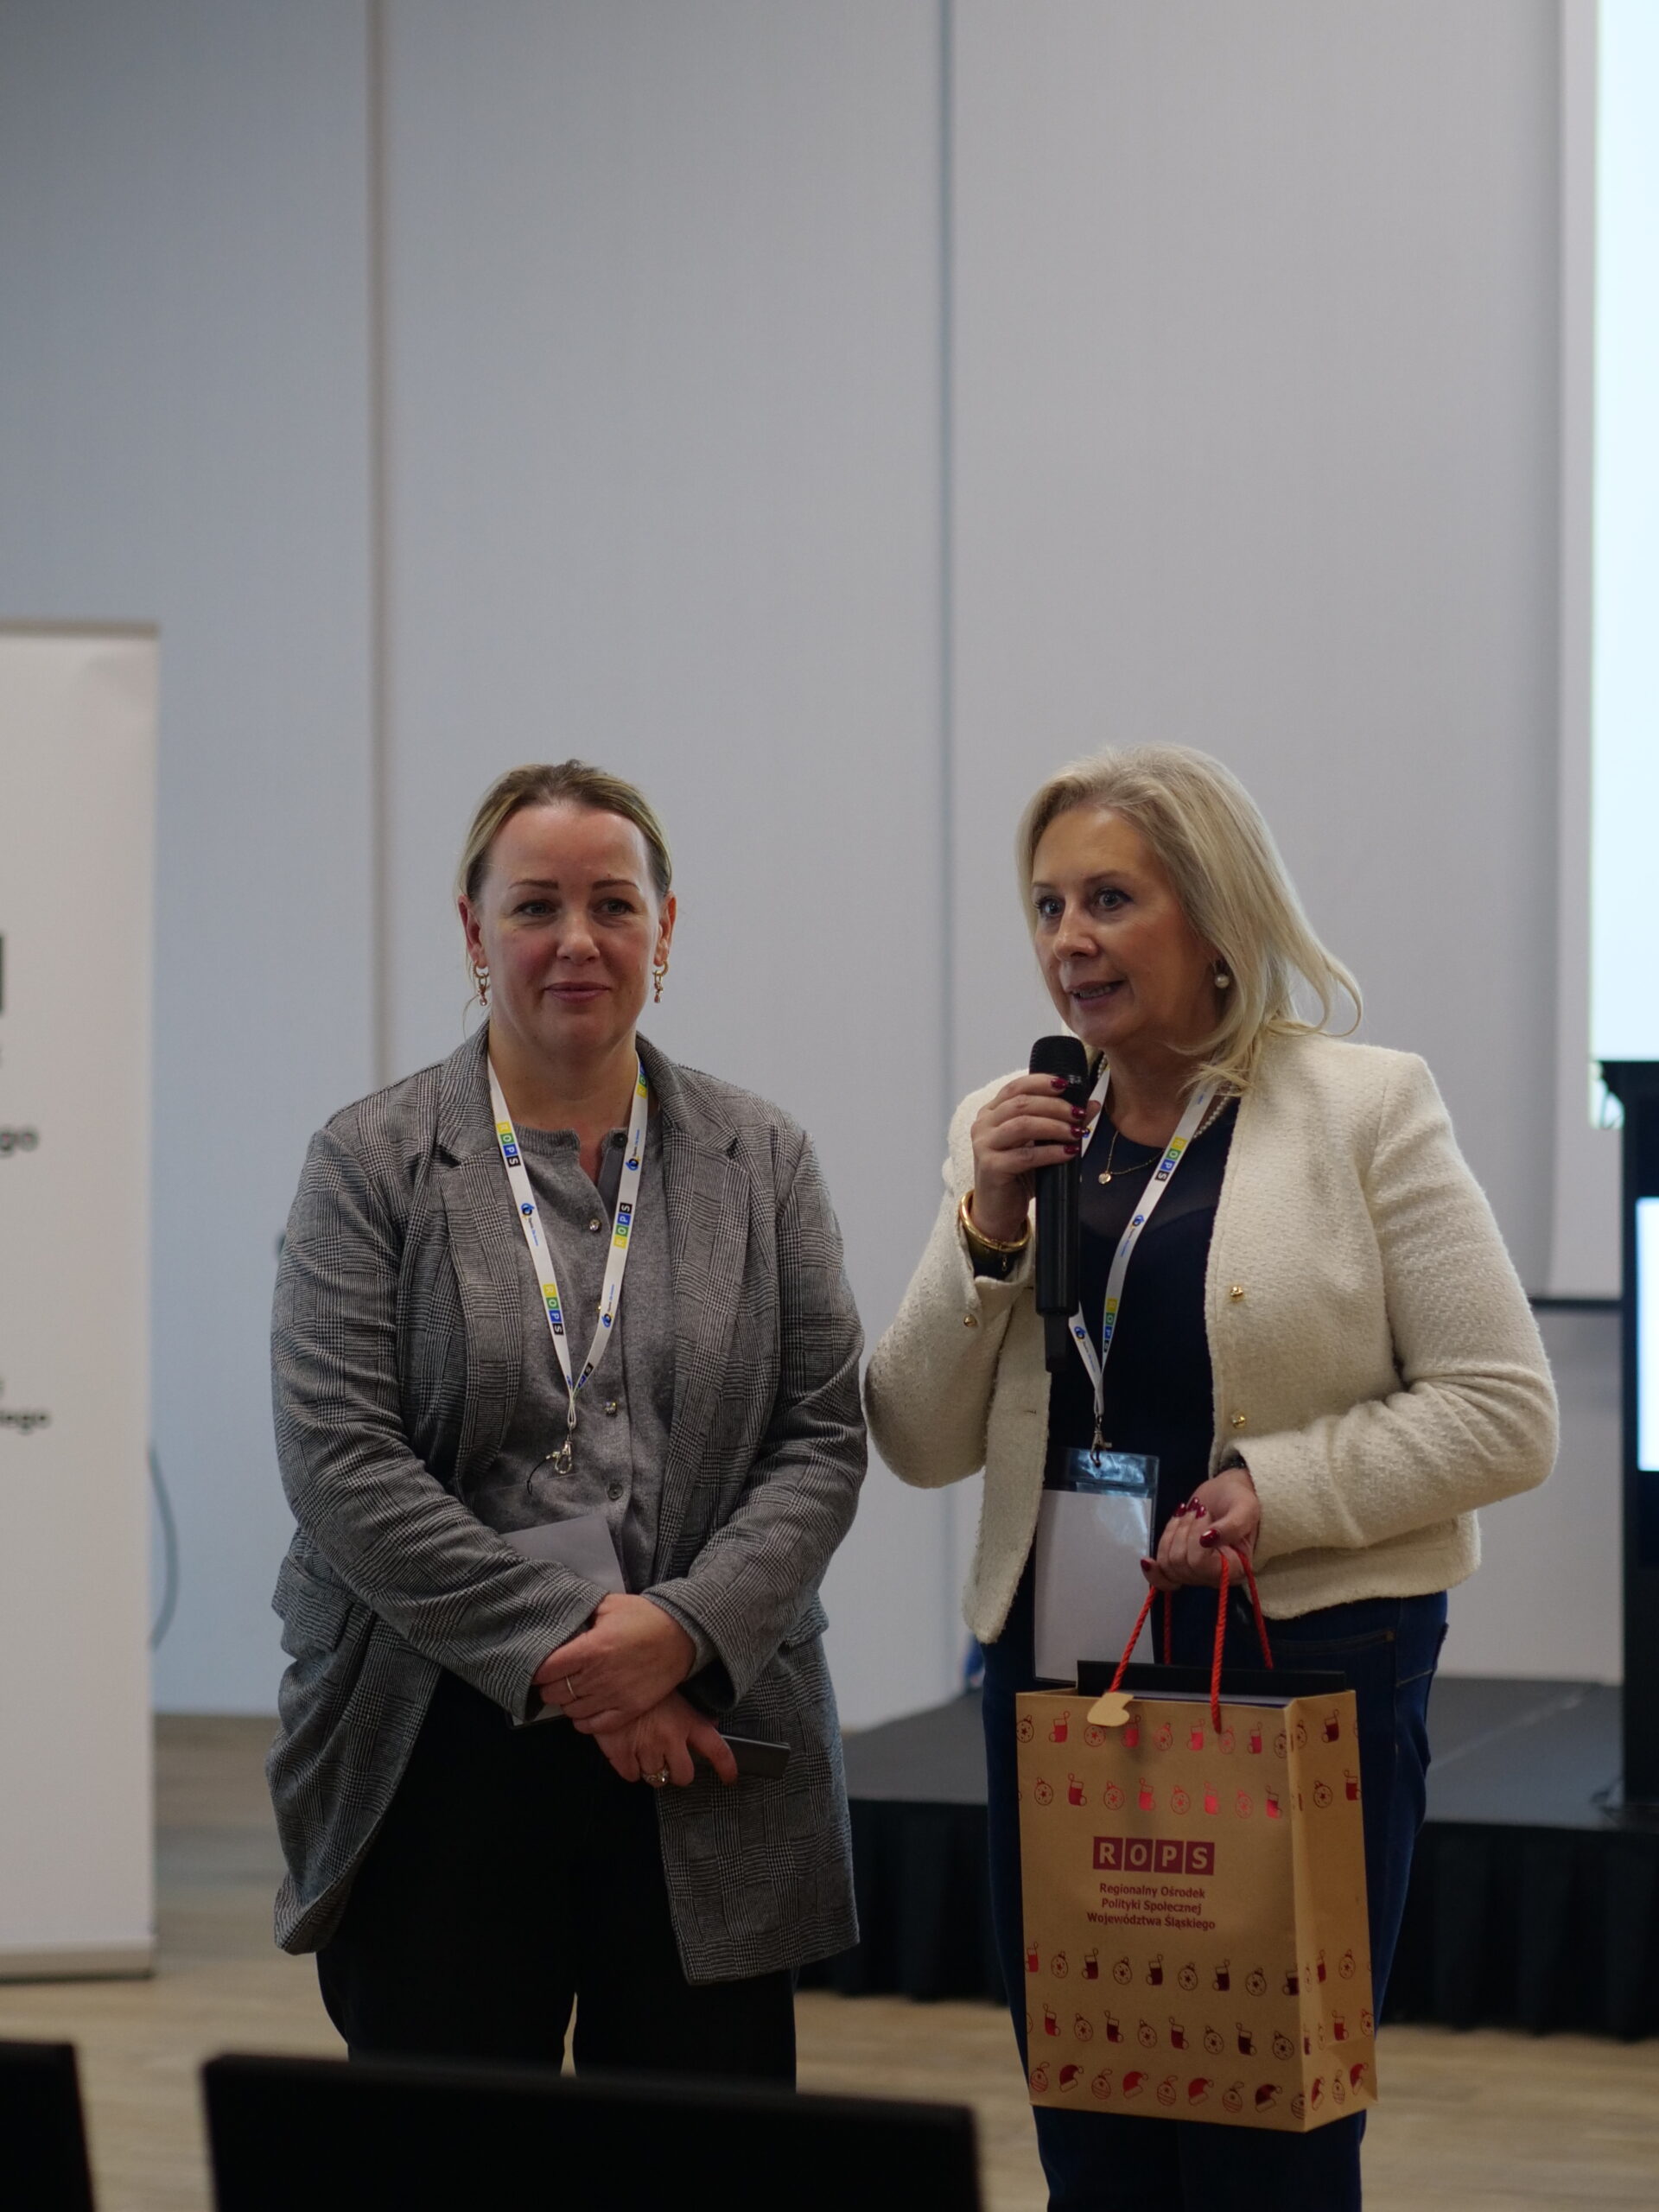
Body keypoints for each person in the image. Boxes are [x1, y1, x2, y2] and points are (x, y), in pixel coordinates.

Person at [865, 746, 1555, 2209]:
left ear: (1216, 912)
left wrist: (1276, 1493)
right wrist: (986, 1226)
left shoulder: (1365, 1107)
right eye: (1048, 906)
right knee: (1093, 2126)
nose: (1070, 939)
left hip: (1301, 1666)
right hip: (1071, 1674)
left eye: (1111, 899)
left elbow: (1504, 1412)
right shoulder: (1017, 1127)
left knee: (1266, 2142)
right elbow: (917, 1436)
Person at [268, 760, 864, 2082]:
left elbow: (823, 1434)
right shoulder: (367, 1163)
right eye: (536, 906)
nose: (577, 940)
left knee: (701, 2155)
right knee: (452, 2157)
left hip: (707, 1727)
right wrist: (585, 1657)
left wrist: (682, 1633)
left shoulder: (763, 1159)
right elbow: (340, 1461)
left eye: (613, 904)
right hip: (436, 1735)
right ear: (474, 932)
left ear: (665, 928)